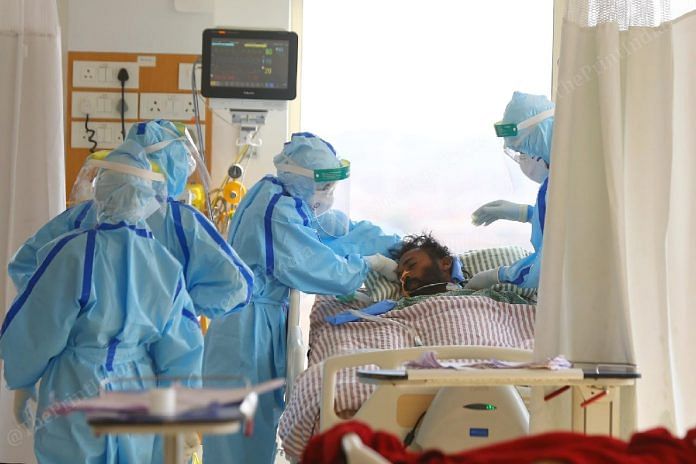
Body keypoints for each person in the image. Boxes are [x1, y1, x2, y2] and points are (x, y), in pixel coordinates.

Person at [202, 132, 401, 464]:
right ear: (303, 181)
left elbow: (333, 233)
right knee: (240, 437)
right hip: (244, 332)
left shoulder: (283, 195)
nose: (329, 196)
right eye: (324, 188)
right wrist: (368, 265)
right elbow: (319, 268)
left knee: (256, 427)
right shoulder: (277, 210)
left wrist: (396, 244)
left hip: (258, 322)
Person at [0, 145, 203, 463]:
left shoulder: (71, 253)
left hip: (77, 387)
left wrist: (22, 381)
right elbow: (181, 347)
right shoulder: (164, 264)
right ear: (146, 198)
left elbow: (38, 326)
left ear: (101, 191)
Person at [8, 119, 252, 320]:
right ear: (172, 167)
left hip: (81, 364)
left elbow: (25, 266)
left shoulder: (81, 217)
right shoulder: (181, 223)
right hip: (157, 359)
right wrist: (178, 309)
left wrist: (68, 316)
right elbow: (237, 286)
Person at [467, 91, 554, 290]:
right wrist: (526, 213)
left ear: (540, 141)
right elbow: (554, 222)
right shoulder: (558, 180)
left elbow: (546, 268)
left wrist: (501, 275)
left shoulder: (566, 184)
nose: (521, 159)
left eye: (523, 152)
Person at [393, 233, 465, 297]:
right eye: (400, 276)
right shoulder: (396, 308)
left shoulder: (472, 290)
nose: (403, 277)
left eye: (411, 265)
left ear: (445, 263)